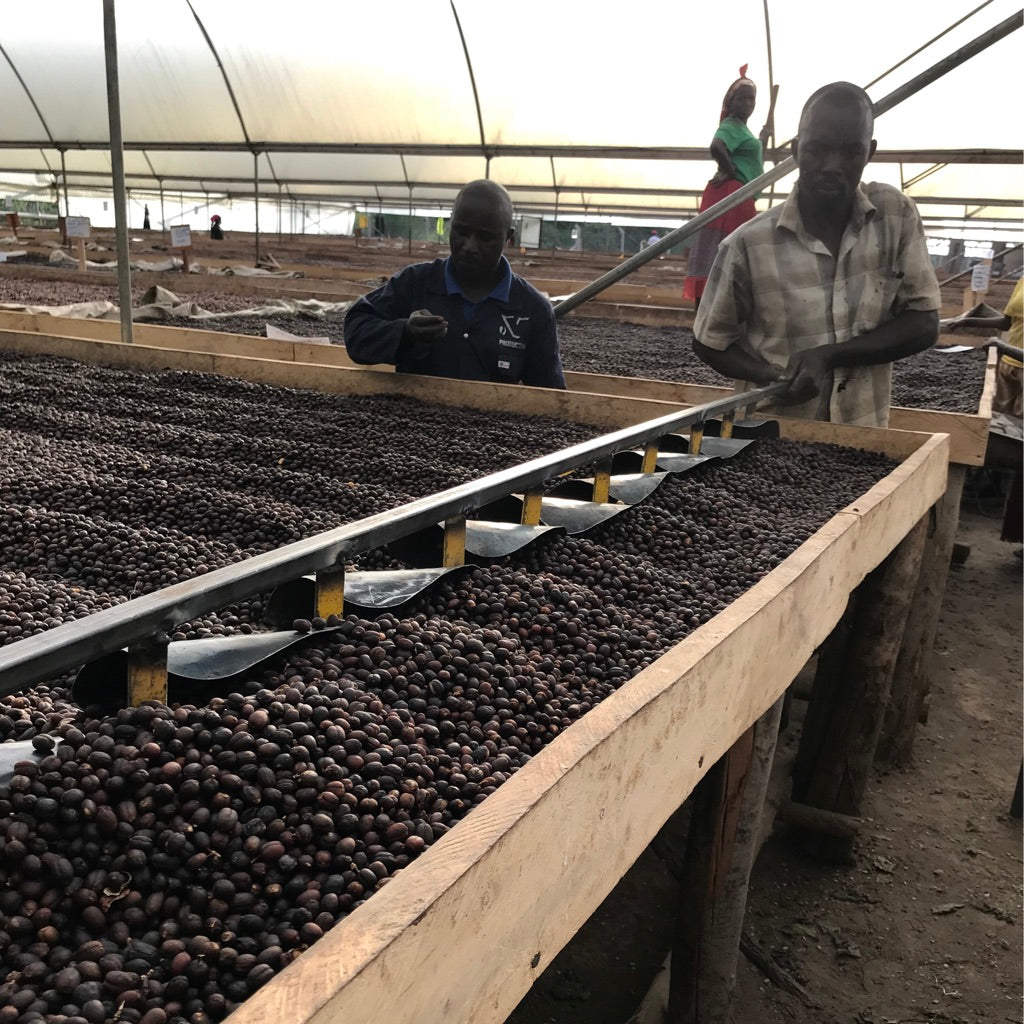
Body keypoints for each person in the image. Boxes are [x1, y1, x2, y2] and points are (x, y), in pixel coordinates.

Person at [692, 81, 940, 428]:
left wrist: (830, 356)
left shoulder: (895, 216)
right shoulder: (747, 245)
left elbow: (924, 323)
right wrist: (770, 376)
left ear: (869, 152)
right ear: (796, 150)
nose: (832, 165)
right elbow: (709, 342)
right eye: (817, 149)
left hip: (864, 435)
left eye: (850, 152)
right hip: (771, 436)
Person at [344, 179, 565, 389]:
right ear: (451, 224)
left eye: (485, 237)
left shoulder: (532, 309)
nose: (470, 245)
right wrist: (404, 333)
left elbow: (550, 396)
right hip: (413, 422)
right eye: (461, 231)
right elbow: (356, 331)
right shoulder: (414, 283)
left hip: (492, 426)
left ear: (508, 237)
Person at [683, 65, 771, 308]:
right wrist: (730, 170)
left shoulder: (742, 130)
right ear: (730, 103)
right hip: (730, 195)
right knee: (725, 252)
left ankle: (716, 312)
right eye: (741, 98)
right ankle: (709, 313)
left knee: (725, 251)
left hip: (737, 195)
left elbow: (751, 159)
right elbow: (717, 146)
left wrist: (762, 139)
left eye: (751, 98)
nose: (748, 103)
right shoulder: (731, 124)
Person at [947, 278, 1023, 419]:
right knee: (998, 420)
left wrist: (1002, 346)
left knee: (1019, 428)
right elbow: (1006, 323)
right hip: (1008, 365)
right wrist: (968, 321)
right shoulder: (1022, 282)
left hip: (1014, 357)